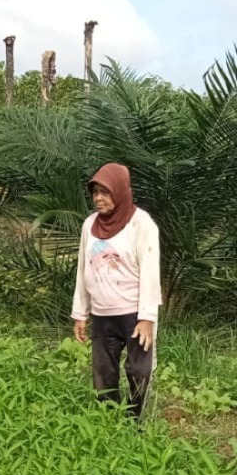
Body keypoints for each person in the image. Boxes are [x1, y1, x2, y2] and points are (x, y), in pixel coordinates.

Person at [71, 163, 162, 421]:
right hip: (102, 314)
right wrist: (80, 312)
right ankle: (110, 421)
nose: (98, 198)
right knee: (103, 373)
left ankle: (135, 421)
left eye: (106, 192)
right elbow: (82, 269)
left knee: (139, 371)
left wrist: (147, 318)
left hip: (133, 313)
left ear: (120, 191)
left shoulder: (141, 224)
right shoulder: (89, 225)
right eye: (95, 192)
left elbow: (150, 271)